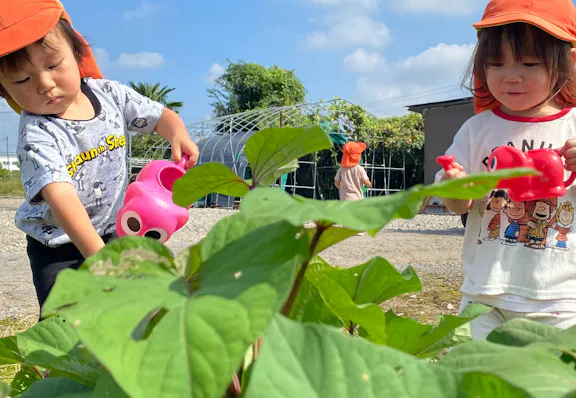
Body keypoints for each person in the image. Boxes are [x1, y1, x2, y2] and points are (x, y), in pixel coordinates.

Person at [0, 0, 199, 310]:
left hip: (114, 228)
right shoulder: (36, 134)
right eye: (23, 80)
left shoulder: (111, 94)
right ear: (4, 90)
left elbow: (159, 115)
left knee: (129, 308)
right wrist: (99, 257)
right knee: (67, 320)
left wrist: (177, 133)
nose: (45, 83)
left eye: (53, 65)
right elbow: (60, 197)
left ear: (78, 52)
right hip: (58, 246)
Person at [436, 0, 576, 340]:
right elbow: (457, 206)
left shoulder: (573, 127)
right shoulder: (476, 129)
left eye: (529, 63)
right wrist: (456, 189)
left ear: (566, 63)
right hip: (485, 294)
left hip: (559, 298)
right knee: (474, 382)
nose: (511, 76)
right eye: (496, 63)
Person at [335, 141, 371, 234]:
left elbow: (336, 182)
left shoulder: (341, 169)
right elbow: (366, 182)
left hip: (345, 196)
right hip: (357, 196)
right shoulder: (359, 169)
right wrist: (369, 185)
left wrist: (341, 188)